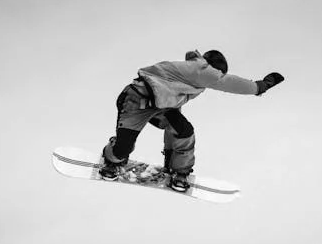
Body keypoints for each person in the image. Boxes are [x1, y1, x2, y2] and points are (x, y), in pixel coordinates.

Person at [100, 49, 284, 192]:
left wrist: (171, 160)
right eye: (217, 74)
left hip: (160, 106)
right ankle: (112, 157)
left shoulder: (190, 79)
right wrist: (261, 86)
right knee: (122, 151)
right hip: (135, 101)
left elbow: (172, 122)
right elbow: (230, 83)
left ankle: (180, 171)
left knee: (183, 130)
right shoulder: (200, 69)